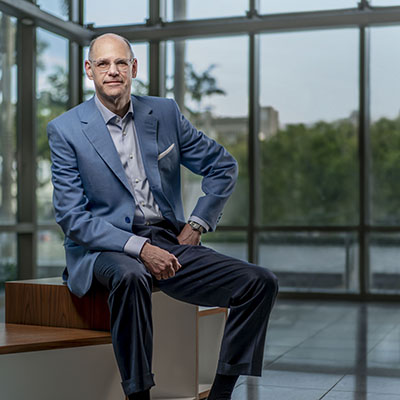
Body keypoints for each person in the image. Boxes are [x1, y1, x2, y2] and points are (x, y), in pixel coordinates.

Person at [47, 33, 278, 400]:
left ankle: (221, 394)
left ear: (134, 68)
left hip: (170, 240)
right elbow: (73, 218)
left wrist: (198, 223)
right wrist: (139, 248)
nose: (113, 71)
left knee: (259, 282)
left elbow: (222, 165)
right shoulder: (66, 130)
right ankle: (138, 393)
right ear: (89, 71)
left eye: (121, 63)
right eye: (103, 64)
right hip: (104, 247)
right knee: (131, 274)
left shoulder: (164, 113)